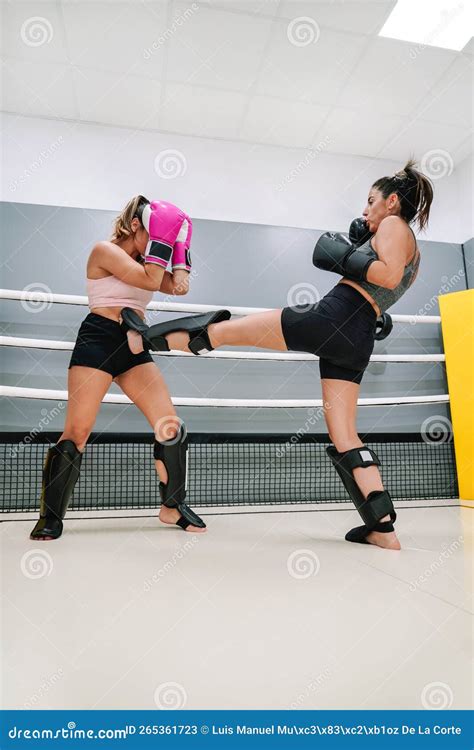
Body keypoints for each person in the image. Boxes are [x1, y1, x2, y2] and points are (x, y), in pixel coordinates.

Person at [121, 160, 434, 550]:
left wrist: (342, 255)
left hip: (333, 316)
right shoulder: (416, 253)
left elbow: (385, 276)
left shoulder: (392, 225)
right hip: (357, 336)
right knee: (345, 435)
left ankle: (142, 339)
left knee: (224, 331)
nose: (366, 211)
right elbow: (389, 287)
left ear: (391, 202)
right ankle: (382, 528)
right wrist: (354, 250)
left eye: (371, 201)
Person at [30, 196, 207, 541]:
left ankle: (171, 507)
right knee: (77, 431)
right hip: (98, 339)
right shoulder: (104, 251)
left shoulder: (149, 263)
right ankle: (50, 516)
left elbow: (180, 286)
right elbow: (151, 280)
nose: (162, 247)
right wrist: (163, 243)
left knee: (170, 425)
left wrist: (181, 245)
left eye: (167, 241)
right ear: (137, 226)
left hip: (133, 343)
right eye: (159, 238)